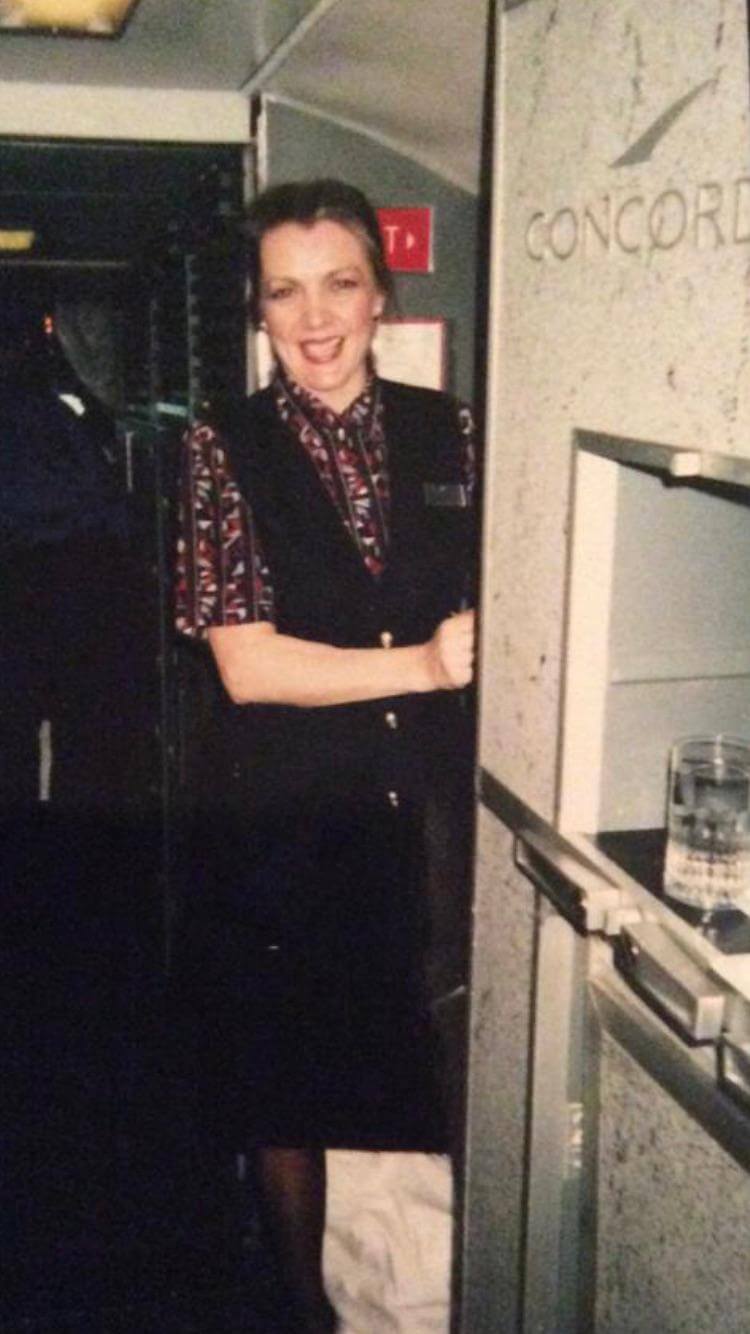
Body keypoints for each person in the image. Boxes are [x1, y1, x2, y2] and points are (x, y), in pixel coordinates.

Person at [175, 178, 477, 1333]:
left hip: (427, 809)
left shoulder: (445, 427)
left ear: (379, 294)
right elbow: (247, 664)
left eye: (339, 283)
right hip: (281, 814)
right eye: (284, 291)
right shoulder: (225, 444)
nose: (314, 316)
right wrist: (428, 664)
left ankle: (427, 1287)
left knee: (419, 1043)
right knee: (284, 1075)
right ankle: (302, 1305)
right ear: (259, 312)